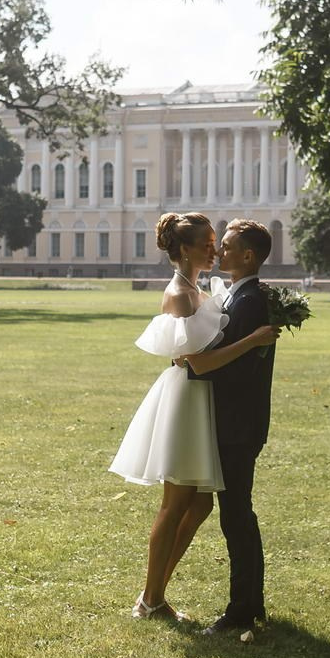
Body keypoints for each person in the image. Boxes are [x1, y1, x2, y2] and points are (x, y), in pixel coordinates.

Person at [108, 213, 225, 621]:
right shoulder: (179, 293)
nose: (215, 248)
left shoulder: (198, 288)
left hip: (199, 398)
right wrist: (250, 343)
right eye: (208, 243)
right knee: (175, 504)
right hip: (186, 397)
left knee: (201, 505)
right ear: (186, 248)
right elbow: (195, 360)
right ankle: (151, 599)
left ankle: (152, 592)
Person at [183, 219, 282, 639]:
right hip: (238, 421)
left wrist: (190, 363)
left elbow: (228, 366)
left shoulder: (250, 302)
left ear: (248, 256)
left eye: (226, 246)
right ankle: (250, 603)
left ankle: (241, 610)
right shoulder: (242, 296)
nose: (219, 252)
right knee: (238, 514)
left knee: (237, 516)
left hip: (237, 424)